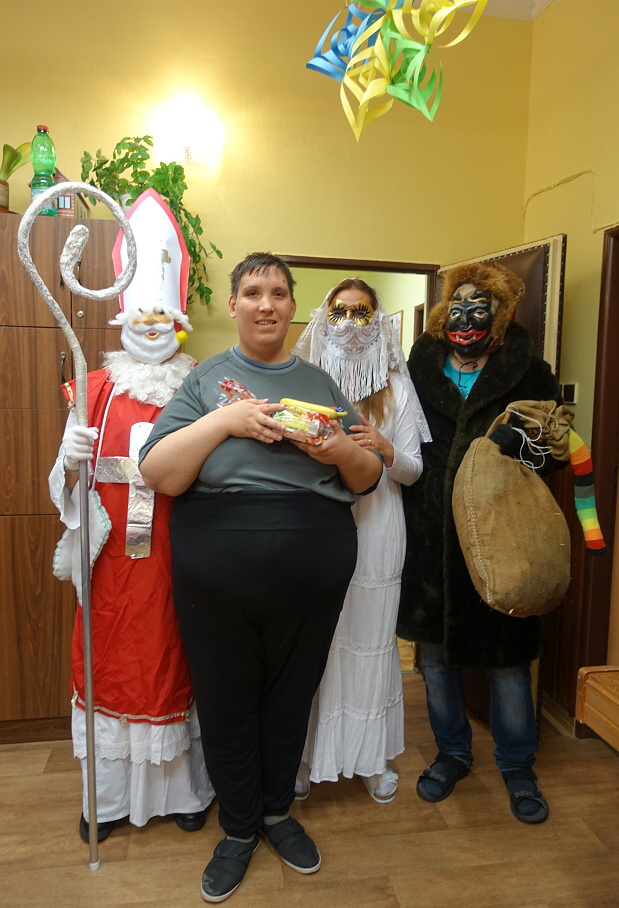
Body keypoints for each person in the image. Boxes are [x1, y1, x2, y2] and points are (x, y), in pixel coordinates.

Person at [138, 253, 382, 903]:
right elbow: (159, 473)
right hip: (216, 566)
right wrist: (225, 421)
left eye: (278, 292)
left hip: (314, 561)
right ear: (234, 305)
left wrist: (340, 449)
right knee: (226, 701)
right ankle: (239, 828)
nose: (266, 304)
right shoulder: (203, 381)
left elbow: (367, 478)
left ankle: (277, 812)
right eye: (253, 292)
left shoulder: (321, 382)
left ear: (293, 306)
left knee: (292, 694)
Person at [49, 191, 214, 842]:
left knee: (176, 664)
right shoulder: (93, 392)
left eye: (161, 314)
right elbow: (65, 495)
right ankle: (108, 802)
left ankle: (183, 792)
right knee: (112, 670)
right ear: (123, 317)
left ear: (179, 320)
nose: (151, 324)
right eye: (140, 313)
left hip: (179, 561)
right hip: (112, 566)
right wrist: (69, 461)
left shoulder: (203, 389)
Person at [397, 260, 563, 824]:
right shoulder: (418, 369)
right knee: (438, 662)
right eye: (458, 304)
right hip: (430, 537)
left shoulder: (528, 371)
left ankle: (518, 766)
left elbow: (555, 449)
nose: (467, 316)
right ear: (444, 312)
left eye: (480, 306)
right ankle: (452, 754)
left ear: (500, 314)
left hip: (501, 533)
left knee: (508, 665)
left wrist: (526, 448)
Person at [293, 278, 430, 803]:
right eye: (340, 313)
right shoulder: (305, 380)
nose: (350, 323)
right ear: (324, 319)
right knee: (314, 642)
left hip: (378, 525)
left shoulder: (397, 387)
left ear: (378, 320)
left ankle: (371, 758)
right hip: (315, 524)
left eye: (361, 312)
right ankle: (305, 755)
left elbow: (414, 470)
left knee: (370, 640)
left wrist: (386, 449)